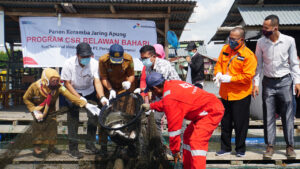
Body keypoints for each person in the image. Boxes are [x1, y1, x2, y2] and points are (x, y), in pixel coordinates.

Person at [141, 72, 224, 169]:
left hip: (211, 111)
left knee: (197, 141)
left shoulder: (170, 99)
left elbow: (174, 131)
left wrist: (175, 151)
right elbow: (167, 102)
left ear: (156, 89)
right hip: (204, 110)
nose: (153, 94)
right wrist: (151, 106)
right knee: (188, 136)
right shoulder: (171, 84)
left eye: (151, 91)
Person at [23, 68, 100, 158]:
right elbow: (25, 98)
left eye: (57, 80)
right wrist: (34, 110)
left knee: (52, 124)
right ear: (46, 80)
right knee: (39, 125)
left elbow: (71, 96)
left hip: (50, 108)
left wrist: (85, 104)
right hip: (37, 108)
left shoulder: (59, 87)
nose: (55, 83)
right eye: (53, 81)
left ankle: (51, 147)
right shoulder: (35, 86)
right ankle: (37, 149)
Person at [252, 15, 300, 158]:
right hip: (268, 82)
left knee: (288, 115)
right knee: (268, 115)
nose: (263, 30)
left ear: (275, 28)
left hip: (285, 81)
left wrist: (297, 81)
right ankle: (270, 146)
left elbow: (294, 63)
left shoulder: (289, 41)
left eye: (266, 28)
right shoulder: (261, 43)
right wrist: (256, 84)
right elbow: (258, 66)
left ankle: (290, 146)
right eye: (263, 27)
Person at [214, 27, 257, 157]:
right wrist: (218, 73)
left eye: (234, 39)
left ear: (241, 40)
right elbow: (219, 64)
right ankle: (225, 148)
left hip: (240, 94)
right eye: (230, 38)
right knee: (225, 123)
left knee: (240, 124)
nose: (230, 41)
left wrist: (231, 79)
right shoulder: (225, 49)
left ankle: (240, 150)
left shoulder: (249, 55)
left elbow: (247, 76)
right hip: (225, 93)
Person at [61, 42, 109, 159]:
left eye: (88, 56)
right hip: (73, 91)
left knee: (94, 117)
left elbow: (97, 81)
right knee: (73, 120)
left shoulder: (94, 64)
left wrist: (102, 96)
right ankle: (73, 149)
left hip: (89, 91)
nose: (86, 59)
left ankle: (90, 145)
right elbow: (66, 83)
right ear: (77, 55)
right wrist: (78, 97)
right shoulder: (68, 64)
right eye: (83, 57)